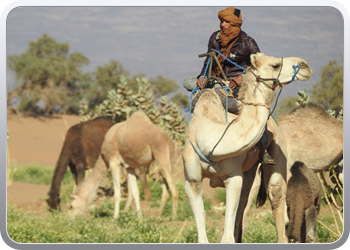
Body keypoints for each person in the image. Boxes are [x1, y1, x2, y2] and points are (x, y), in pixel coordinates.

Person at [195, 7, 275, 165]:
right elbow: (208, 61)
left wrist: (242, 77)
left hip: (240, 83)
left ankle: (263, 149)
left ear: (235, 25)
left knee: (256, 110)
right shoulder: (215, 38)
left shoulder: (247, 42)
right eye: (221, 21)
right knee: (191, 88)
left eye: (226, 22)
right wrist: (202, 76)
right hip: (217, 80)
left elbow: (260, 65)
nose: (222, 25)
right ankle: (198, 140)